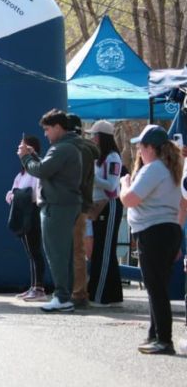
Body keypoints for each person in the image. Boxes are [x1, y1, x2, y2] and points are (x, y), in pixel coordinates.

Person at [120, 125, 184, 355]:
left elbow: (130, 199)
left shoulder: (154, 168)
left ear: (151, 148)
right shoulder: (170, 168)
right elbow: (182, 205)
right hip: (168, 230)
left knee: (155, 288)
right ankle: (154, 334)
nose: (138, 150)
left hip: (153, 232)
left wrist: (124, 184)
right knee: (157, 286)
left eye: (141, 146)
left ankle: (164, 340)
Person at [18, 109, 82, 313]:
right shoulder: (69, 147)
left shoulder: (62, 148)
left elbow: (42, 170)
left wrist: (26, 158)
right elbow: (49, 169)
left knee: (56, 253)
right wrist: (34, 156)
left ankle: (62, 297)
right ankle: (65, 296)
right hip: (65, 204)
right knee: (63, 253)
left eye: (47, 129)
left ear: (58, 127)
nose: (45, 134)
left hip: (57, 206)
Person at [86, 120, 123, 306]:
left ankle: (99, 296)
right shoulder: (99, 157)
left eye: (94, 135)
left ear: (101, 137)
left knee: (104, 251)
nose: (92, 138)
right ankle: (113, 296)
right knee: (101, 250)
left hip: (109, 205)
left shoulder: (113, 157)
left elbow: (112, 186)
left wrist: (91, 177)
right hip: (97, 206)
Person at [66, 114, 99, 309]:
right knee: (78, 249)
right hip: (84, 203)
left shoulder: (74, 148)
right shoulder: (87, 149)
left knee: (75, 250)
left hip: (73, 204)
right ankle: (78, 290)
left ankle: (78, 292)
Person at [8, 135, 46, 301]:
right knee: (30, 252)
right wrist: (15, 195)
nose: (19, 150)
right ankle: (33, 286)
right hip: (22, 214)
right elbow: (12, 193)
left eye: (22, 147)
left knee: (35, 251)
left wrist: (20, 195)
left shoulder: (37, 170)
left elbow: (36, 194)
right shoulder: (21, 174)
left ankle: (39, 288)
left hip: (33, 214)